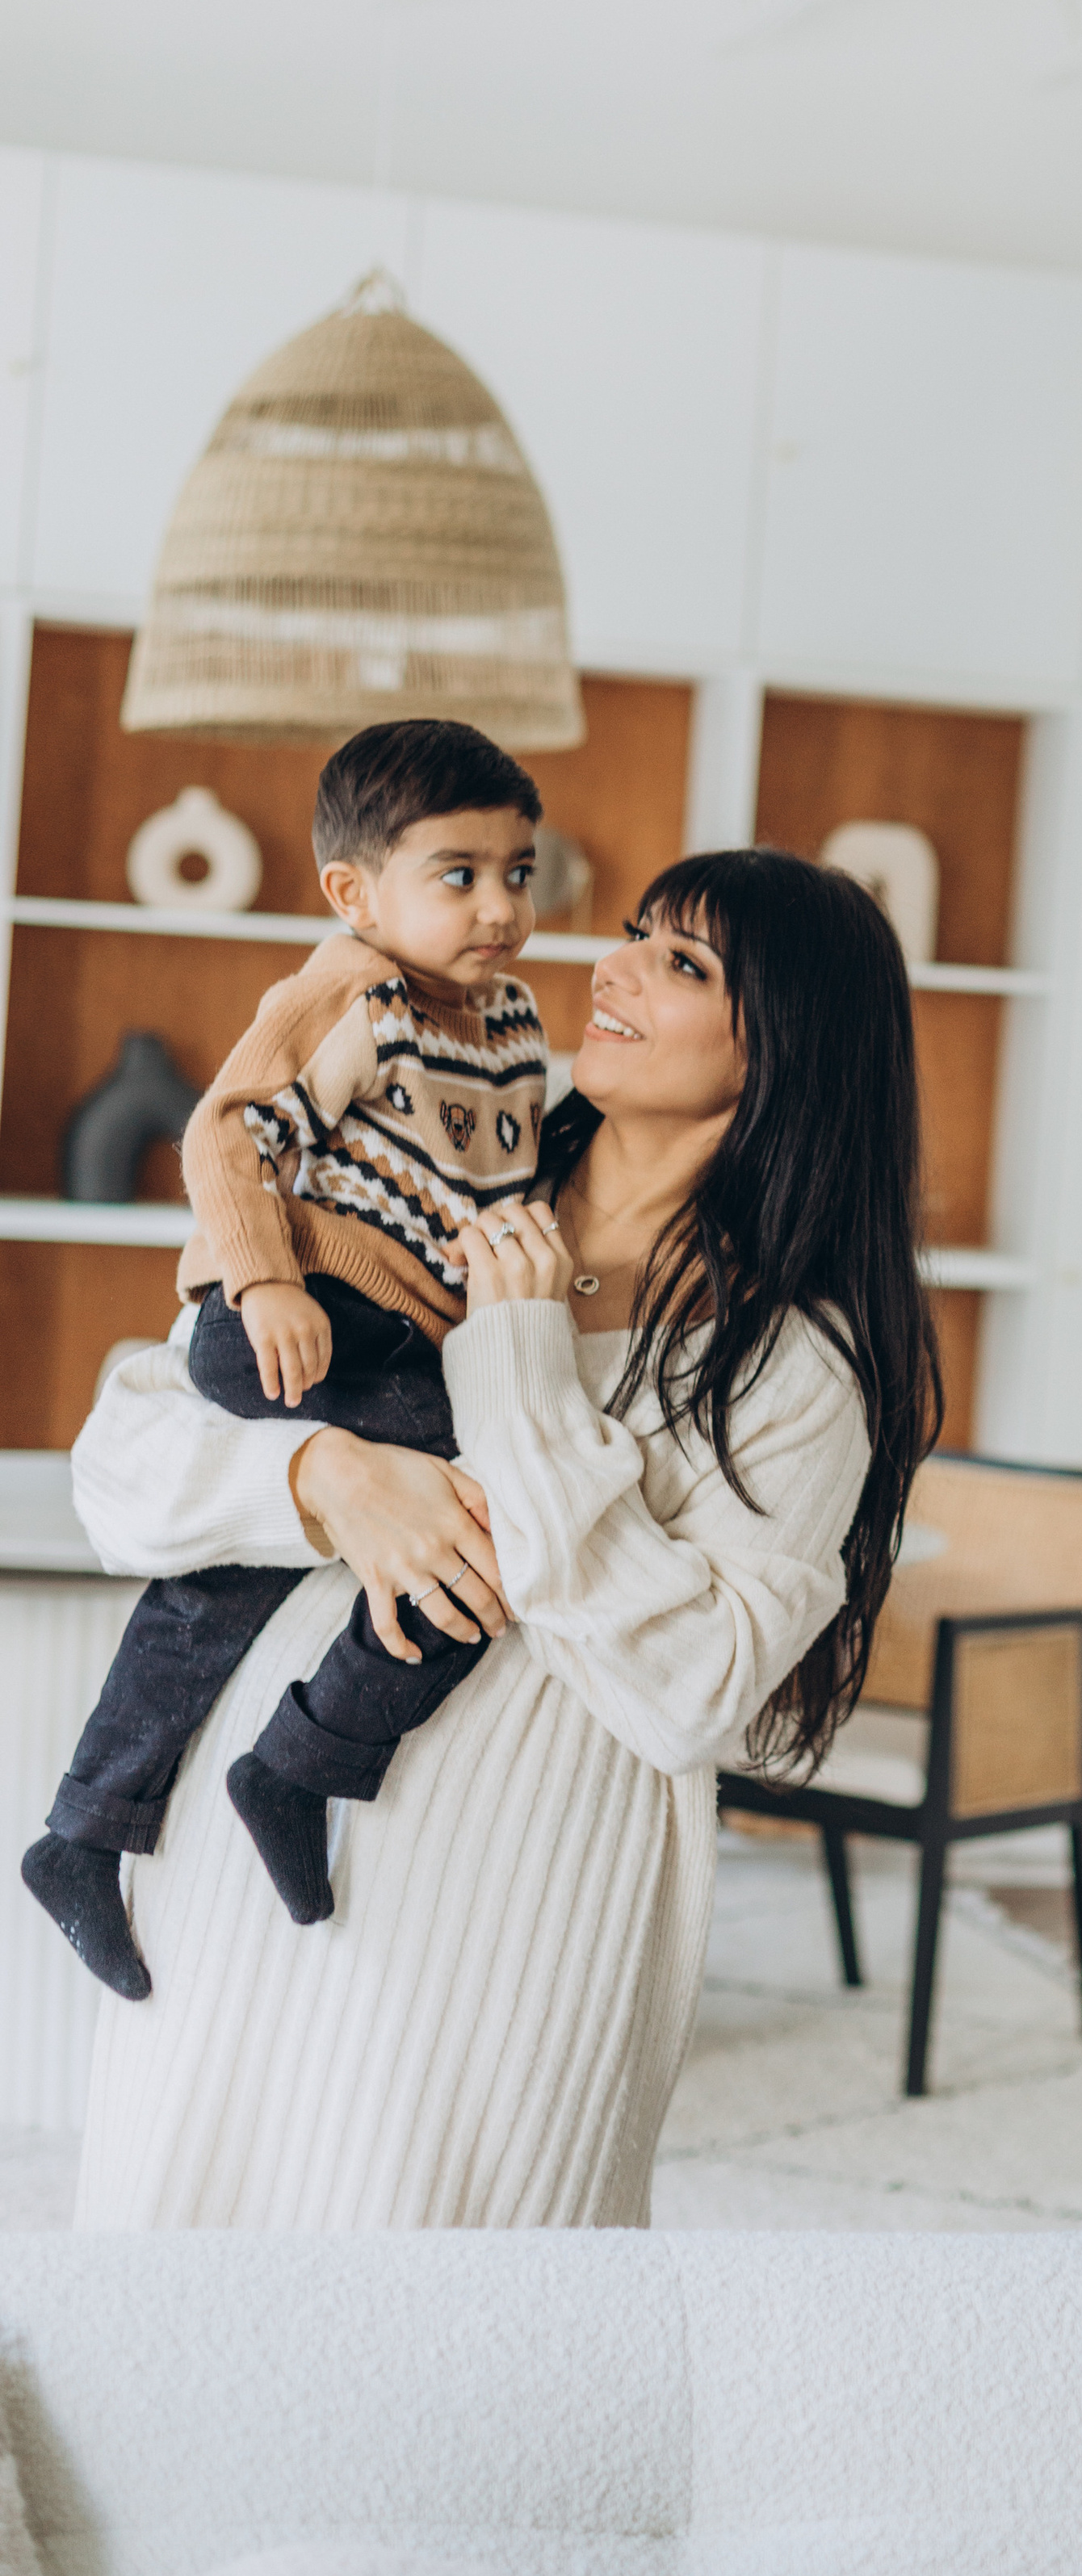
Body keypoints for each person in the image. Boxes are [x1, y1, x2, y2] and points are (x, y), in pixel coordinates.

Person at [63, 848, 938, 2229]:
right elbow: (121, 1452)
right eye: (639, 935)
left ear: (790, 1052)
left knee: (452, 2358)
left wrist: (522, 1365)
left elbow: (692, 1690)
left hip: (502, 1931)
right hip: (230, 1886)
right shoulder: (421, 1181)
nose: (613, 966)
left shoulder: (794, 1361)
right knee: (170, 2310)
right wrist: (324, 1477)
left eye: (683, 963)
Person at [26, 719, 551, 1992]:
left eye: (520, 873)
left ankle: (98, 1826)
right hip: (305, 1310)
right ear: (354, 892)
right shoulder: (348, 989)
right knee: (482, 1531)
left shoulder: (514, 1023)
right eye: (460, 874)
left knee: (229, 1588)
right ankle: (300, 1762)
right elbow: (226, 1134)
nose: (499, 906)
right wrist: (262, 1279)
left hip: (401, 1336)